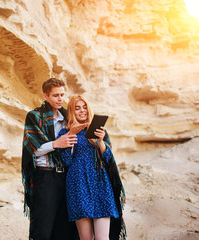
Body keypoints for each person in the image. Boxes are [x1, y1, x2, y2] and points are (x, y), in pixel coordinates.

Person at [21, 78, 84, 240]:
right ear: (45, 96)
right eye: (56, 95)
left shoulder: (69, 117)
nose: (60, 99)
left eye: (62, 95)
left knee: (66, 227)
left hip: (68, 177)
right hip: (46, 177)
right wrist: (56, 144)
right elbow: (33, 151)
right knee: (43, 228)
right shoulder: (35, 116)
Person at [57, 95, 127, 240]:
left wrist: (100, 141)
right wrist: (72, 134)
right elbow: (66, 161)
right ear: (71, 112)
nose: (82, 111)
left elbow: (108, 159)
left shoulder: (100, 130)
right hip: (78, 184)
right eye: (77, 108)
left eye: (84, 107)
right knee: (86, 238)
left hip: (100, 184)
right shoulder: (64, 133)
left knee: (103, 238)